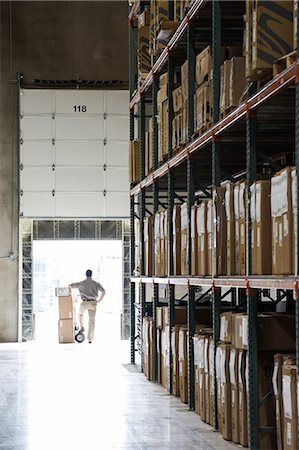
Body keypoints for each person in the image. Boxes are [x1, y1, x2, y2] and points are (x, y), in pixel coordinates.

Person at [69, 269, 105, 343]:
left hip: (84, 303)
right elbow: (104, 291)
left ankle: (82, 327)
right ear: (91, 275)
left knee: (80, 313)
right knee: (92, 321)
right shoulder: (96, 283)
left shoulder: (81, 283)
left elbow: (70, 286)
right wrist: (99, 300)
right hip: (93, 303)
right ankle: (90, 339)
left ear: (86, 275)